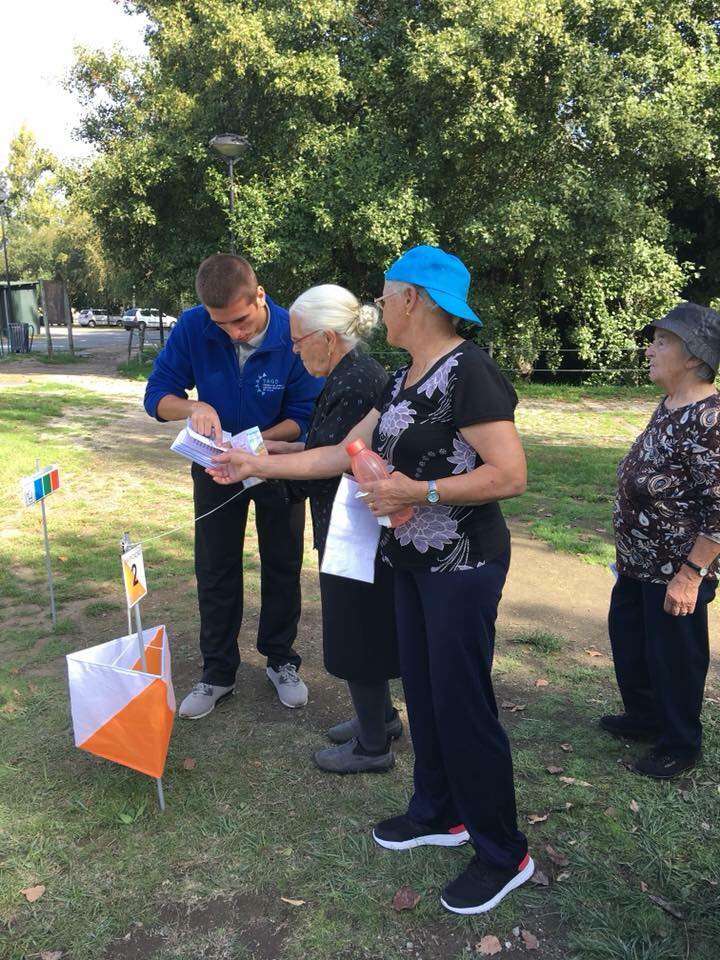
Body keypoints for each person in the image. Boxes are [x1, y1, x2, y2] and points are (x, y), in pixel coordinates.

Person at [207, 246, 534, 915]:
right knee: (422, 689)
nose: (378, 304)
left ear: (414, 298)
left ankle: (503, 852)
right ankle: (438, 812)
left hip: (463, 566)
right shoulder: (403, 378)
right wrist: (252, 466)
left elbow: (510, 474)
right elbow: (336, 452)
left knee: (462, 702)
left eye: (386, 293)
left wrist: (423, 489)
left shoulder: (470, 372)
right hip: (411, 564)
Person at [143, 253, 323, 717]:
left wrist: (256, 444)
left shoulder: (292, 330)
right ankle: (217, 672)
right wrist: (193, 409)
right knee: (215, 567)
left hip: (275, 466)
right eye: (221, 325)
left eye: (240, 321)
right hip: (215, 468)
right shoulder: (192, 326)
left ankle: (281, 660)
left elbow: (304, 418)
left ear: (259, 295)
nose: (234, 334)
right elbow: (156, 396)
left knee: (282, 562)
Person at [273, 284, 403, 773]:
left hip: (356, 528)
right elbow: (322, 446)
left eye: (298, 339)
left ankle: (373, 746)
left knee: (356, 629)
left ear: (328, 337)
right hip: (349, 522)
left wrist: (257, 465)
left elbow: (330, 462)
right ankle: (382, 718)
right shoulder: (351, 373)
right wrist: (265, 453)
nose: (294, 349)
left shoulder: (356, 382)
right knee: (358, 621)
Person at [602, 302, 720, 779]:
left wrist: (691, 574)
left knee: (674, 657)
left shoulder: (710, 419)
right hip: (637, 562)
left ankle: (680, 742)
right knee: (630, 641)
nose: (650, 349)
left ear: (693, 356)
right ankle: (646, 717)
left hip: (676, 569)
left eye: (662, 341)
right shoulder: (672, 403)